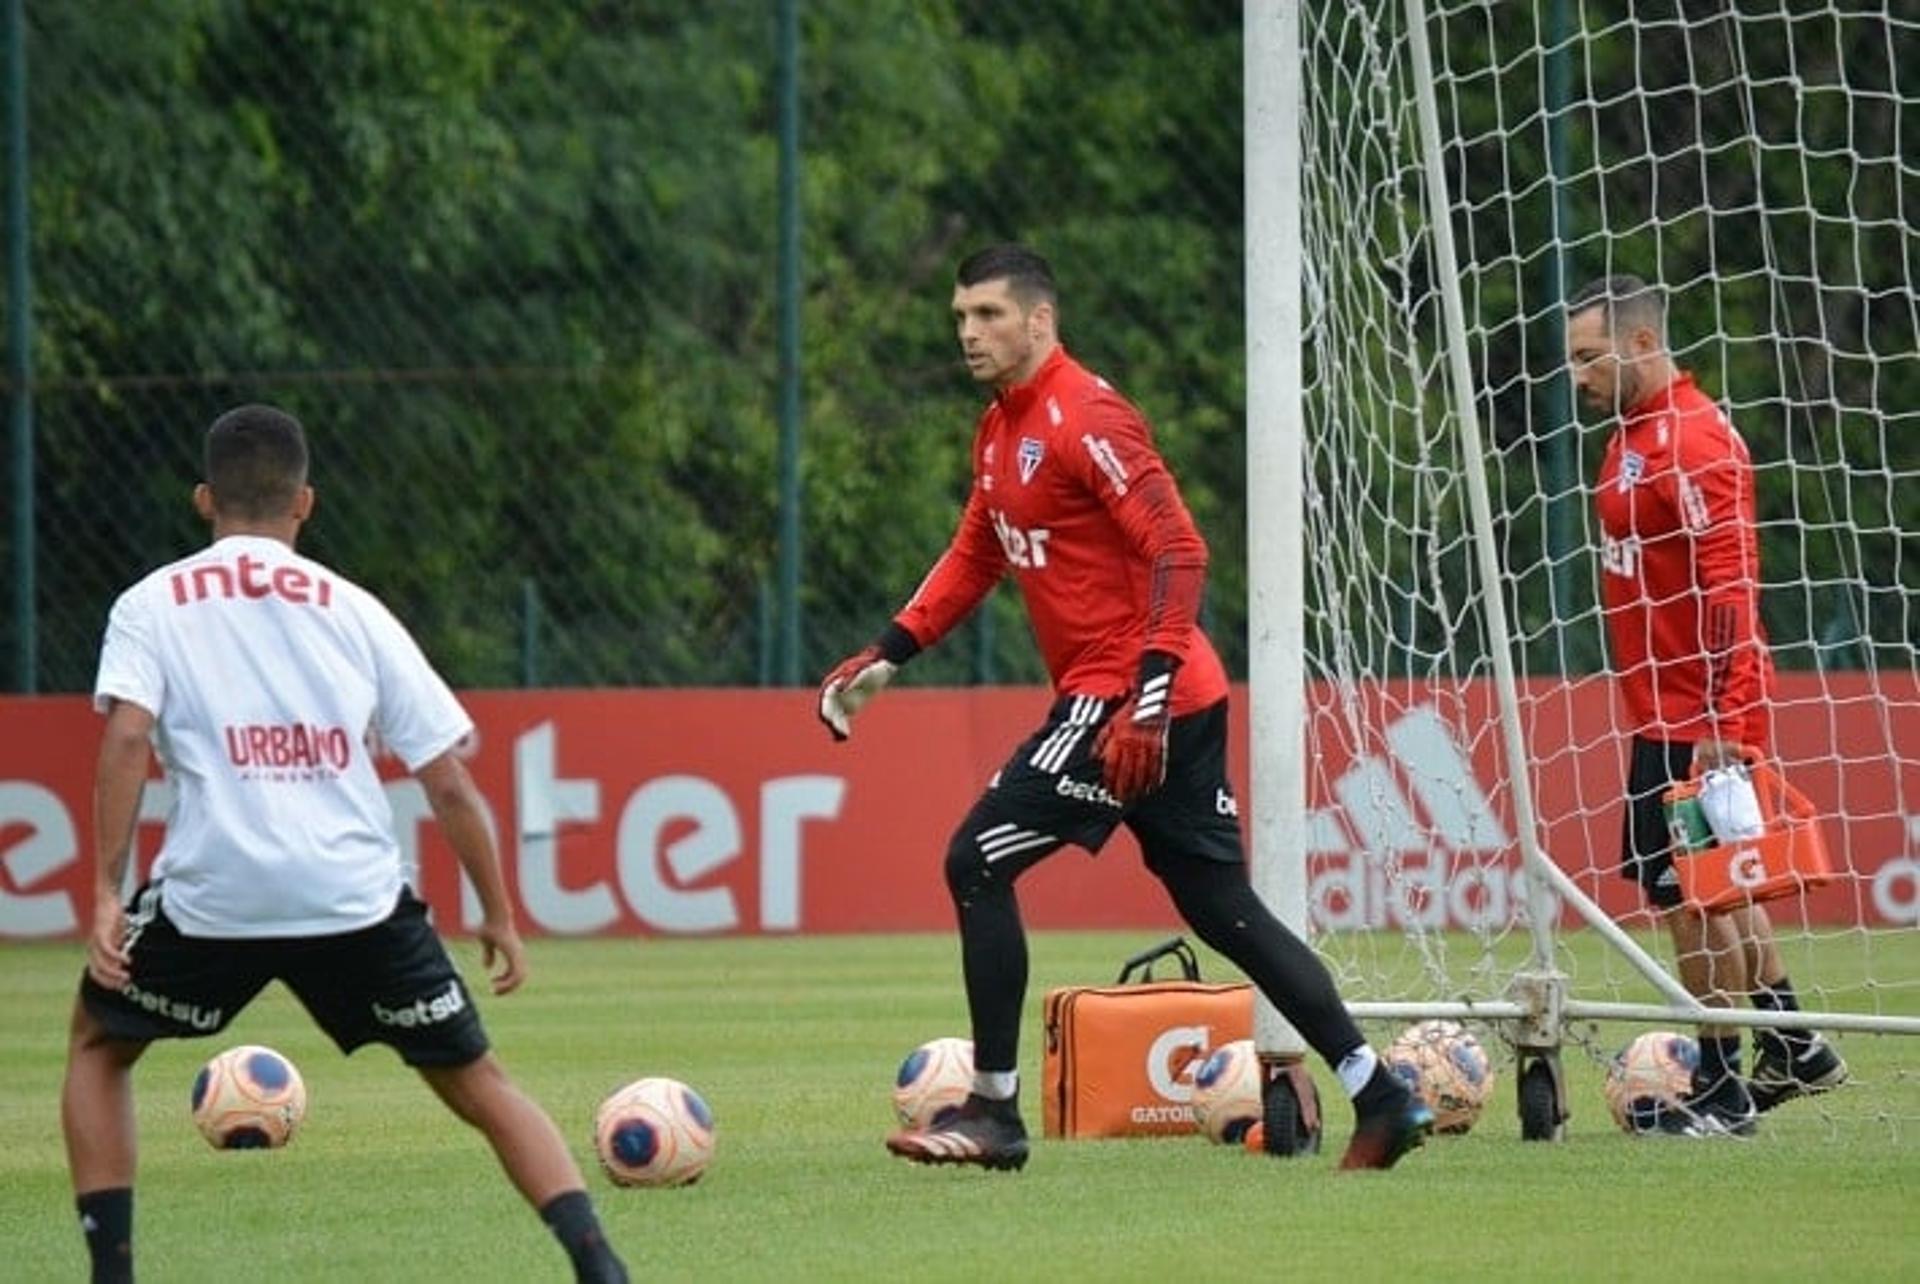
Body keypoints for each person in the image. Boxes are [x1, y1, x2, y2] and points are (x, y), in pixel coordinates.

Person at [816, 243, 1433, 1172]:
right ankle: (1377, 1092)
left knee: (975, 861)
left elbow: (1180, 550)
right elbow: (977, 554)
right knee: (1221, 906)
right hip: (1162, 697)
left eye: (987, 315)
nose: (969, 334)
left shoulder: (1084, 415)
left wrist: (1140, 704)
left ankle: (994, 1113)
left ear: (1039, 321)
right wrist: (890, 651)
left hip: (1131, 699)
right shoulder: (998, 430)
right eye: (960, 318)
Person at [61, 405, 629, 1284]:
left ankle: (112, 1276)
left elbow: (128, 741)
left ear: (205, 499)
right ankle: (599, 1266)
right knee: (480, 1083)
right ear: (306, 503)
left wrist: (104, 892)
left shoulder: (150, 604)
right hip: (354, 897)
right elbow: (447, 782)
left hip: (216, 894)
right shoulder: (353, 609)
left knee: (99, 1047)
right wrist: (499, 914)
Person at [1566, 274, 1849, 1134]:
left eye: (1588, 356)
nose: (1575, 373)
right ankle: (1796, 1043)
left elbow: (1731, 586)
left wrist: (1724, 723)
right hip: (1672, 709)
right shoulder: (1633, 432)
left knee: (1688, 901)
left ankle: (1720, 1093)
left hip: (1696, 719)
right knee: (1721, 894)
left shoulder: (1690, 443)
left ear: (1642, 344)